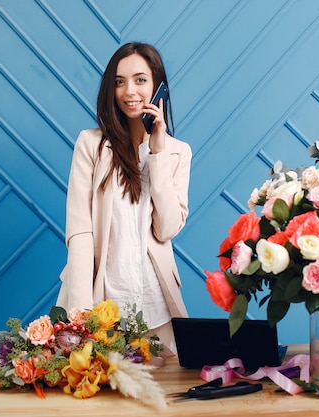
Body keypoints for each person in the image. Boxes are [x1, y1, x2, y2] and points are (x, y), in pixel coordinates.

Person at [56, 42, 190, 355]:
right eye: (119, 81)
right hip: (100, 298)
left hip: (155, 303)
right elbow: (80, 231)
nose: (130, 91)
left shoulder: (177, 152)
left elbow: (166, 229)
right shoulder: (90, 144)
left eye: (140, 80)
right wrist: (80, 315)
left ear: (158, 88)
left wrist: (156, 153)